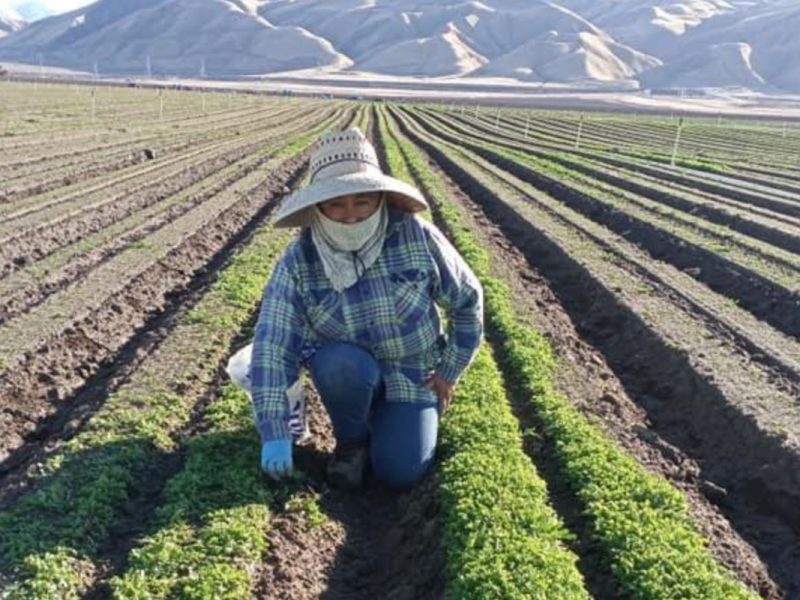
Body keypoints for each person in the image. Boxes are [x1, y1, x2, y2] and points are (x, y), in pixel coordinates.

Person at [249, 127, 483, 490]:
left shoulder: (415, 236)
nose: (350, 215)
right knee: (338, 364)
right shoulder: (300, 260)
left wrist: (448, 371)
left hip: (412, 373)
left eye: (362, 201)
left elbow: (468, 300)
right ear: (317, 208)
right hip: (348, 372)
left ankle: (394, 420)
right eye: (335, 203)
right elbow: (273, 344)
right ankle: (352, 441)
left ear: (380, 199)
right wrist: (274, 430)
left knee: (399, 472)